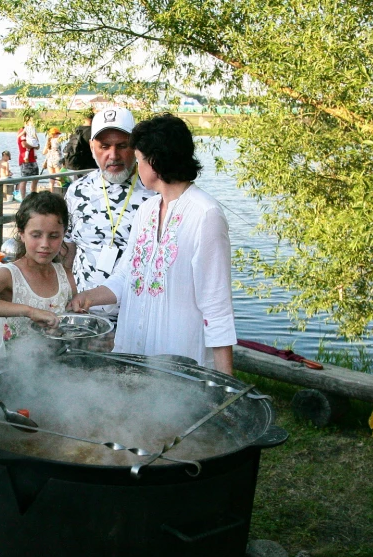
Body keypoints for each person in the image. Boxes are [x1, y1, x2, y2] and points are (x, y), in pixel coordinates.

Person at [68, 114, 236, 373]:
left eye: (139, 157)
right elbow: (127, 276)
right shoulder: (147, 210)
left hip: (180, 356)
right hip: (136, 348)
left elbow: (217, 306)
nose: (136, 164)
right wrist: (89, 296)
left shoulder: (205, 214)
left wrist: (227, 385)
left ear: (155, 162)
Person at [61, 107, 155, 324]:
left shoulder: (156, 192)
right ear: (92, 148)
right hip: (85, 317)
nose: (113, 155)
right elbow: (68, 252)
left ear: (136, 148)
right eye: (104, 146)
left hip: (138, 319)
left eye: (122, 146)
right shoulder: (77, 191)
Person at [0, 191, 75, 354]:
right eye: (36, 235)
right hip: (14, 369)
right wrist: (29, 311)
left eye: (54, 236)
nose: (45, 244)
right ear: (21, 233)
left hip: (56, 367)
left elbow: (74, 324)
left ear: (64, 234)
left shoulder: (66, 276)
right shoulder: (10, 274)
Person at [16, 115, 40, 200]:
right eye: (31, 121)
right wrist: (32, 146)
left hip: (33, 160)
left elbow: (37, 146)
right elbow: (24, 144)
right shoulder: (22, 131)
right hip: (24, 159)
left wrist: (35, 144)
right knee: (24, 180)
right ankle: (23, 198)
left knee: (36, 178)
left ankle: (33, 197)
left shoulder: (32, 132)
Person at [43, 126, 64, 191]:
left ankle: (51, 193)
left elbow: (44, 152)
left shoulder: (49, 141)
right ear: (55, 134)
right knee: (59, 178)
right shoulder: (58, 140)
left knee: (52, 179)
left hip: (49, 161)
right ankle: (60, 193)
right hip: (57, 160)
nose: (58, 135)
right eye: (57, 134)